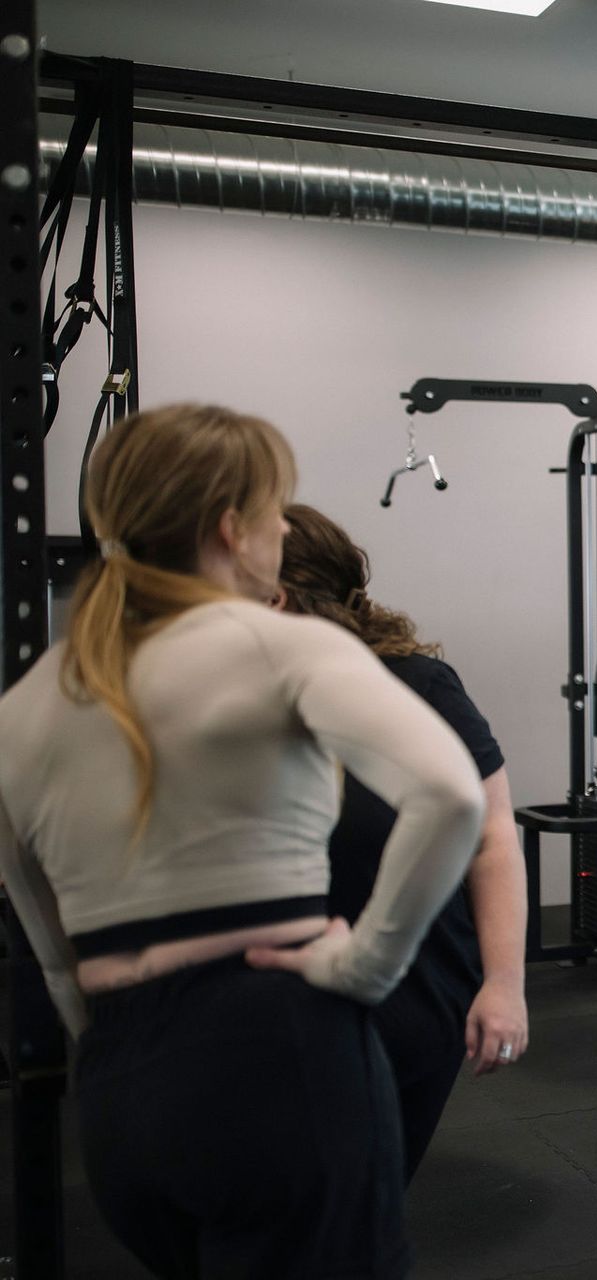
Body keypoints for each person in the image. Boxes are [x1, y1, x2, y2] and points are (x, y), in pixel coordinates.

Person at [0, 404, 484, 1278]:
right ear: (232, 530)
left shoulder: (26, 705)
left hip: (119, 1093)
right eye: (274, 512)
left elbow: (44, 931)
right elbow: (452, 798)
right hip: (275, 1058)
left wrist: (109, 1035)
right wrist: (365, 968)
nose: (282, 532)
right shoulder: (279, 645)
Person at [276, 502, 529, 1183]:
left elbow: (491, 834)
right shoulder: (232, 695)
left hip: (411, 996)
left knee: (358, 1194)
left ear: (280, 597)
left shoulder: (417, 685)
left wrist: (504, 985)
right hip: (276, 997)